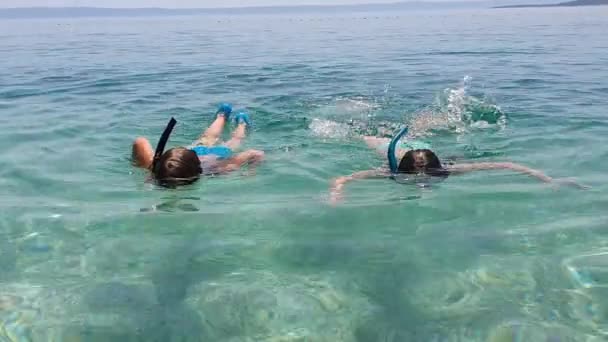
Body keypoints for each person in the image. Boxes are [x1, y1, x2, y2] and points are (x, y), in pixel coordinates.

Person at [330, 127, 587, 203]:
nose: (421, 173)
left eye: (424, 167)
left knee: (426, 133)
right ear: (408, 166)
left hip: (424, 147)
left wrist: (549, 180)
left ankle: (425, 127)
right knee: (364, 138)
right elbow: (344, 178)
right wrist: (336, 194)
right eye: (417, 167)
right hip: (396, 149)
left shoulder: (447, 170)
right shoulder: (393, 171)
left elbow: (507, 165)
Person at [131, 103, 264, 187]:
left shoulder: (217, 169)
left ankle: (241, 122)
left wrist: (251, 173)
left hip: (217, 154)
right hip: (194, 151)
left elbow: (256, 154)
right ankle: (223, 115)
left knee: (234, 140)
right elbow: (255, 153)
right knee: (209, 137)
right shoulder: (156, 169)